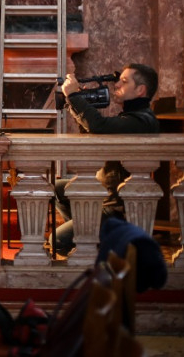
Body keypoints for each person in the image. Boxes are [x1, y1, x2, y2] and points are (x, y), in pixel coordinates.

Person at [52, 63, 160, 255]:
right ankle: (88, 239)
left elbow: (99, 126)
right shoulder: (133, 117)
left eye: (124, 81)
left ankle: (92, 242)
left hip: (116, 208)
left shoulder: (140, 121)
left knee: (57, 240)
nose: (116, 85)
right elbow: (95, 133)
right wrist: (80, 103)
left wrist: (74, 96)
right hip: (103, 194)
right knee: (56, 188)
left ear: (140, 90)